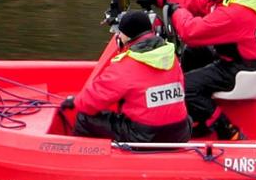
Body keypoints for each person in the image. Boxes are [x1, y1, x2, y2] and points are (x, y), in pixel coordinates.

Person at [135, 0, 256, 140]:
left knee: (185, 87)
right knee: (192, 53)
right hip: (248, 55)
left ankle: (228, 131)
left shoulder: (234, 11)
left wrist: (175, 11)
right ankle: (195, 116)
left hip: (244, 66)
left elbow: (191, 32)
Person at [62, 11, 194, 144]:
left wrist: (75, 102)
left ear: (128, 35)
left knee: (83, 117)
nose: (118, 35)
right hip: (181, 132)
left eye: (120, 32)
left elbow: (93, 100)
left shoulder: (125, 65)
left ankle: (81, 156)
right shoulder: (171, 56)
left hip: (145, 136)